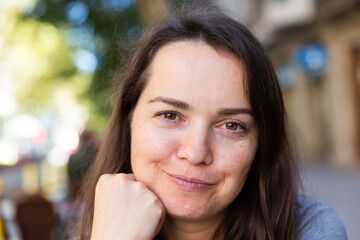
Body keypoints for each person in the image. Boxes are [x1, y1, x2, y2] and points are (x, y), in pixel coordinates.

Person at [75, 8, 347, 240]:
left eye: (231, 126)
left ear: (261, 143)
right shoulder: (97, 225)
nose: (195, 153)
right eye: (169, 115)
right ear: (129, 121)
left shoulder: (310, 229)